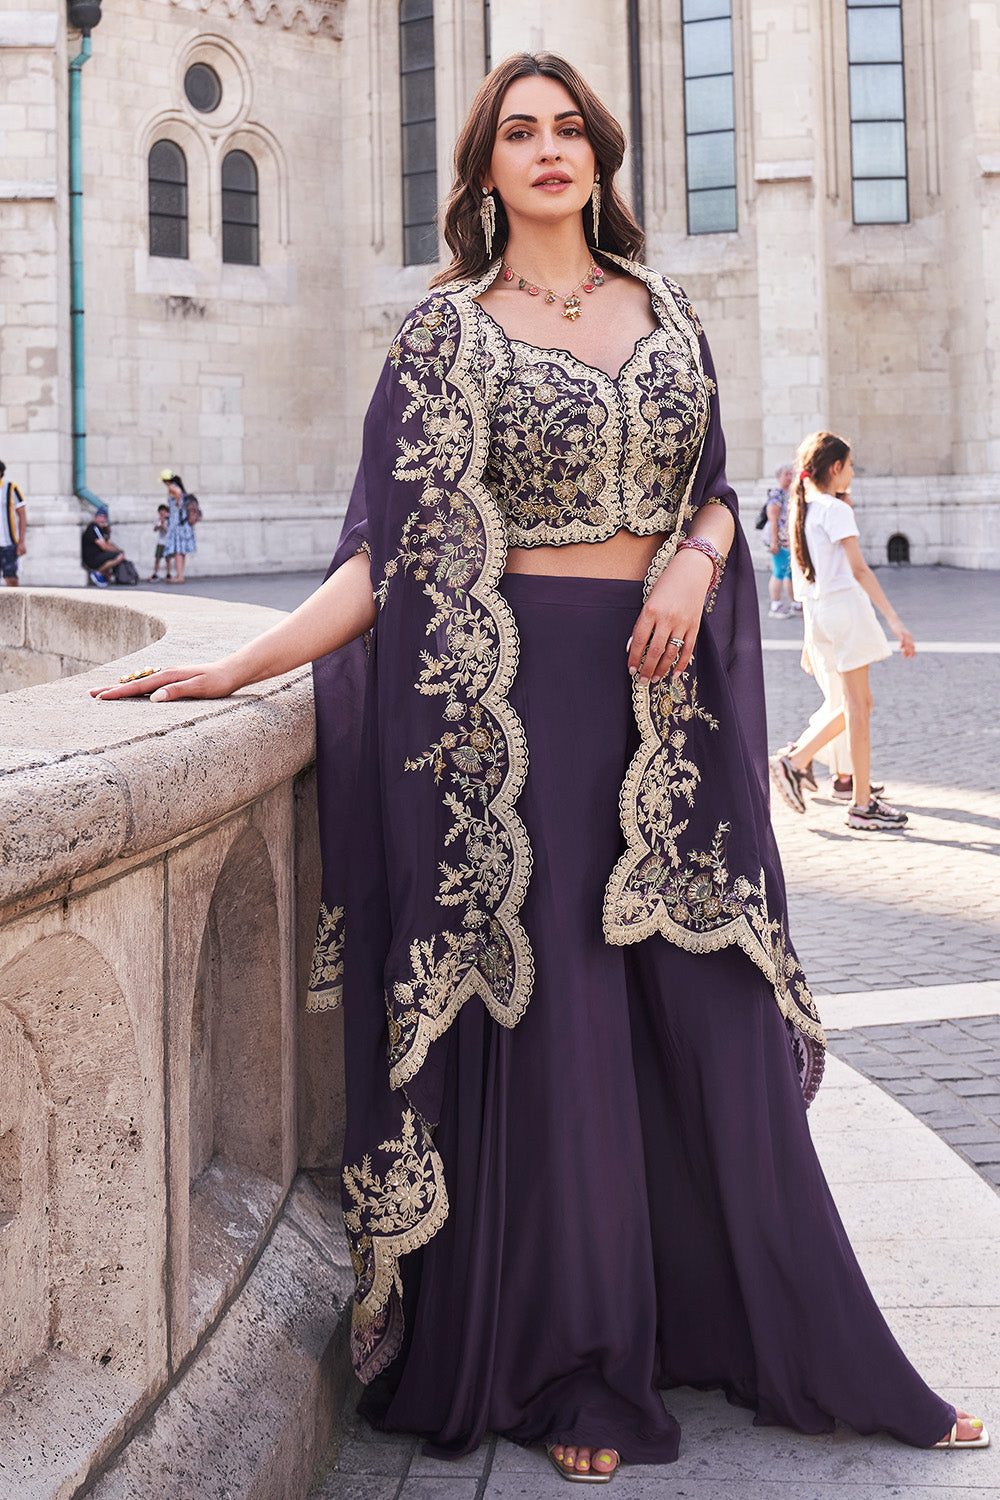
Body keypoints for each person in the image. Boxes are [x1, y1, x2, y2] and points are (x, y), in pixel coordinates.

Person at [93, 54, 986, 1482]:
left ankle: (826, 1349)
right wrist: (234, 668)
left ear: (598, 151)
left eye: (569, 128)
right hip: (515, 717)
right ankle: (577, 1370)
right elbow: (385, 561)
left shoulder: (667, 307)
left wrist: (697, 565)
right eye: (521, 132)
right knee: (561, 1031)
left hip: (666, 698)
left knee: (720, 1023)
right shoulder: (443, 335)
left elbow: (709, 489)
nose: (550, 149)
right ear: (486, 167)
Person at [768, 432, 915, 832]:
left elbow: (801, 576)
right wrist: (895, 622)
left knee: (858, 706)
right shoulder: (834, 508)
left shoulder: (804, 508)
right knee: (858, 708)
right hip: (847, 611)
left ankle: (816, 769)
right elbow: (859, 569)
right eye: (849, 465)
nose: (851, 472)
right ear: (835, 468)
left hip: (820, 613)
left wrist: (807, 637)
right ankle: (852, 797)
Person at [765, 464, 798, 616]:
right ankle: (775, 605)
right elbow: (773, 519)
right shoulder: (776, 493)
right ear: (779, 477)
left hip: (789, 540)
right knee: (780, 570)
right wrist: (774, 542)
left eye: (791, 474)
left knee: (790, 571)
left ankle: (795, 602)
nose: (789, 477)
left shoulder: (791, 493)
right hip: (778, 539)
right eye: (786, 474)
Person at [158, 470, 197, 583]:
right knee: (181, 551)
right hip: (183, 522)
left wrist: (177, 502)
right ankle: (180, 574)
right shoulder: (179, 487)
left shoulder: (172, 487)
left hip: (177, 524)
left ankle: (179, 576)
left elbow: (178, 493)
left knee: (177, 551)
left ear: (166, 481)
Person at [81, 507, 124, 586]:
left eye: (104, 517)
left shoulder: (102, 529)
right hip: (92, 558)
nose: (102, 519)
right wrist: (118, 552)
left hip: (98, 555)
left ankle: (103, 574)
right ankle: (97, 573)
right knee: (119, 556)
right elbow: (104, 546)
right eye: (100, 517)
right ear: (95, 517)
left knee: (120, 554)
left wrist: (117, 550)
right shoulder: (94, 528)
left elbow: (109, 543)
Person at [0, 460, 27, 587]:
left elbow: (21, 515)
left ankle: (14, 607)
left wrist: (21, 542)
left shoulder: (11, 489)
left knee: (11, 579)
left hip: (8, 544)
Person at [148, 503, 171, 582]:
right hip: (160, 542)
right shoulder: (157, 520)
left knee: (168, 559)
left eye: (164, 512)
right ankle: (155, 573)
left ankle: (168, 574)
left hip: (167, 542)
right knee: (157, 558)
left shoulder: (169, 520)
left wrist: (163, 524)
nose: (162, 513)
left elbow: (168, 531)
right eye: (161, 512)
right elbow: (155, 530)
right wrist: (158, 524)